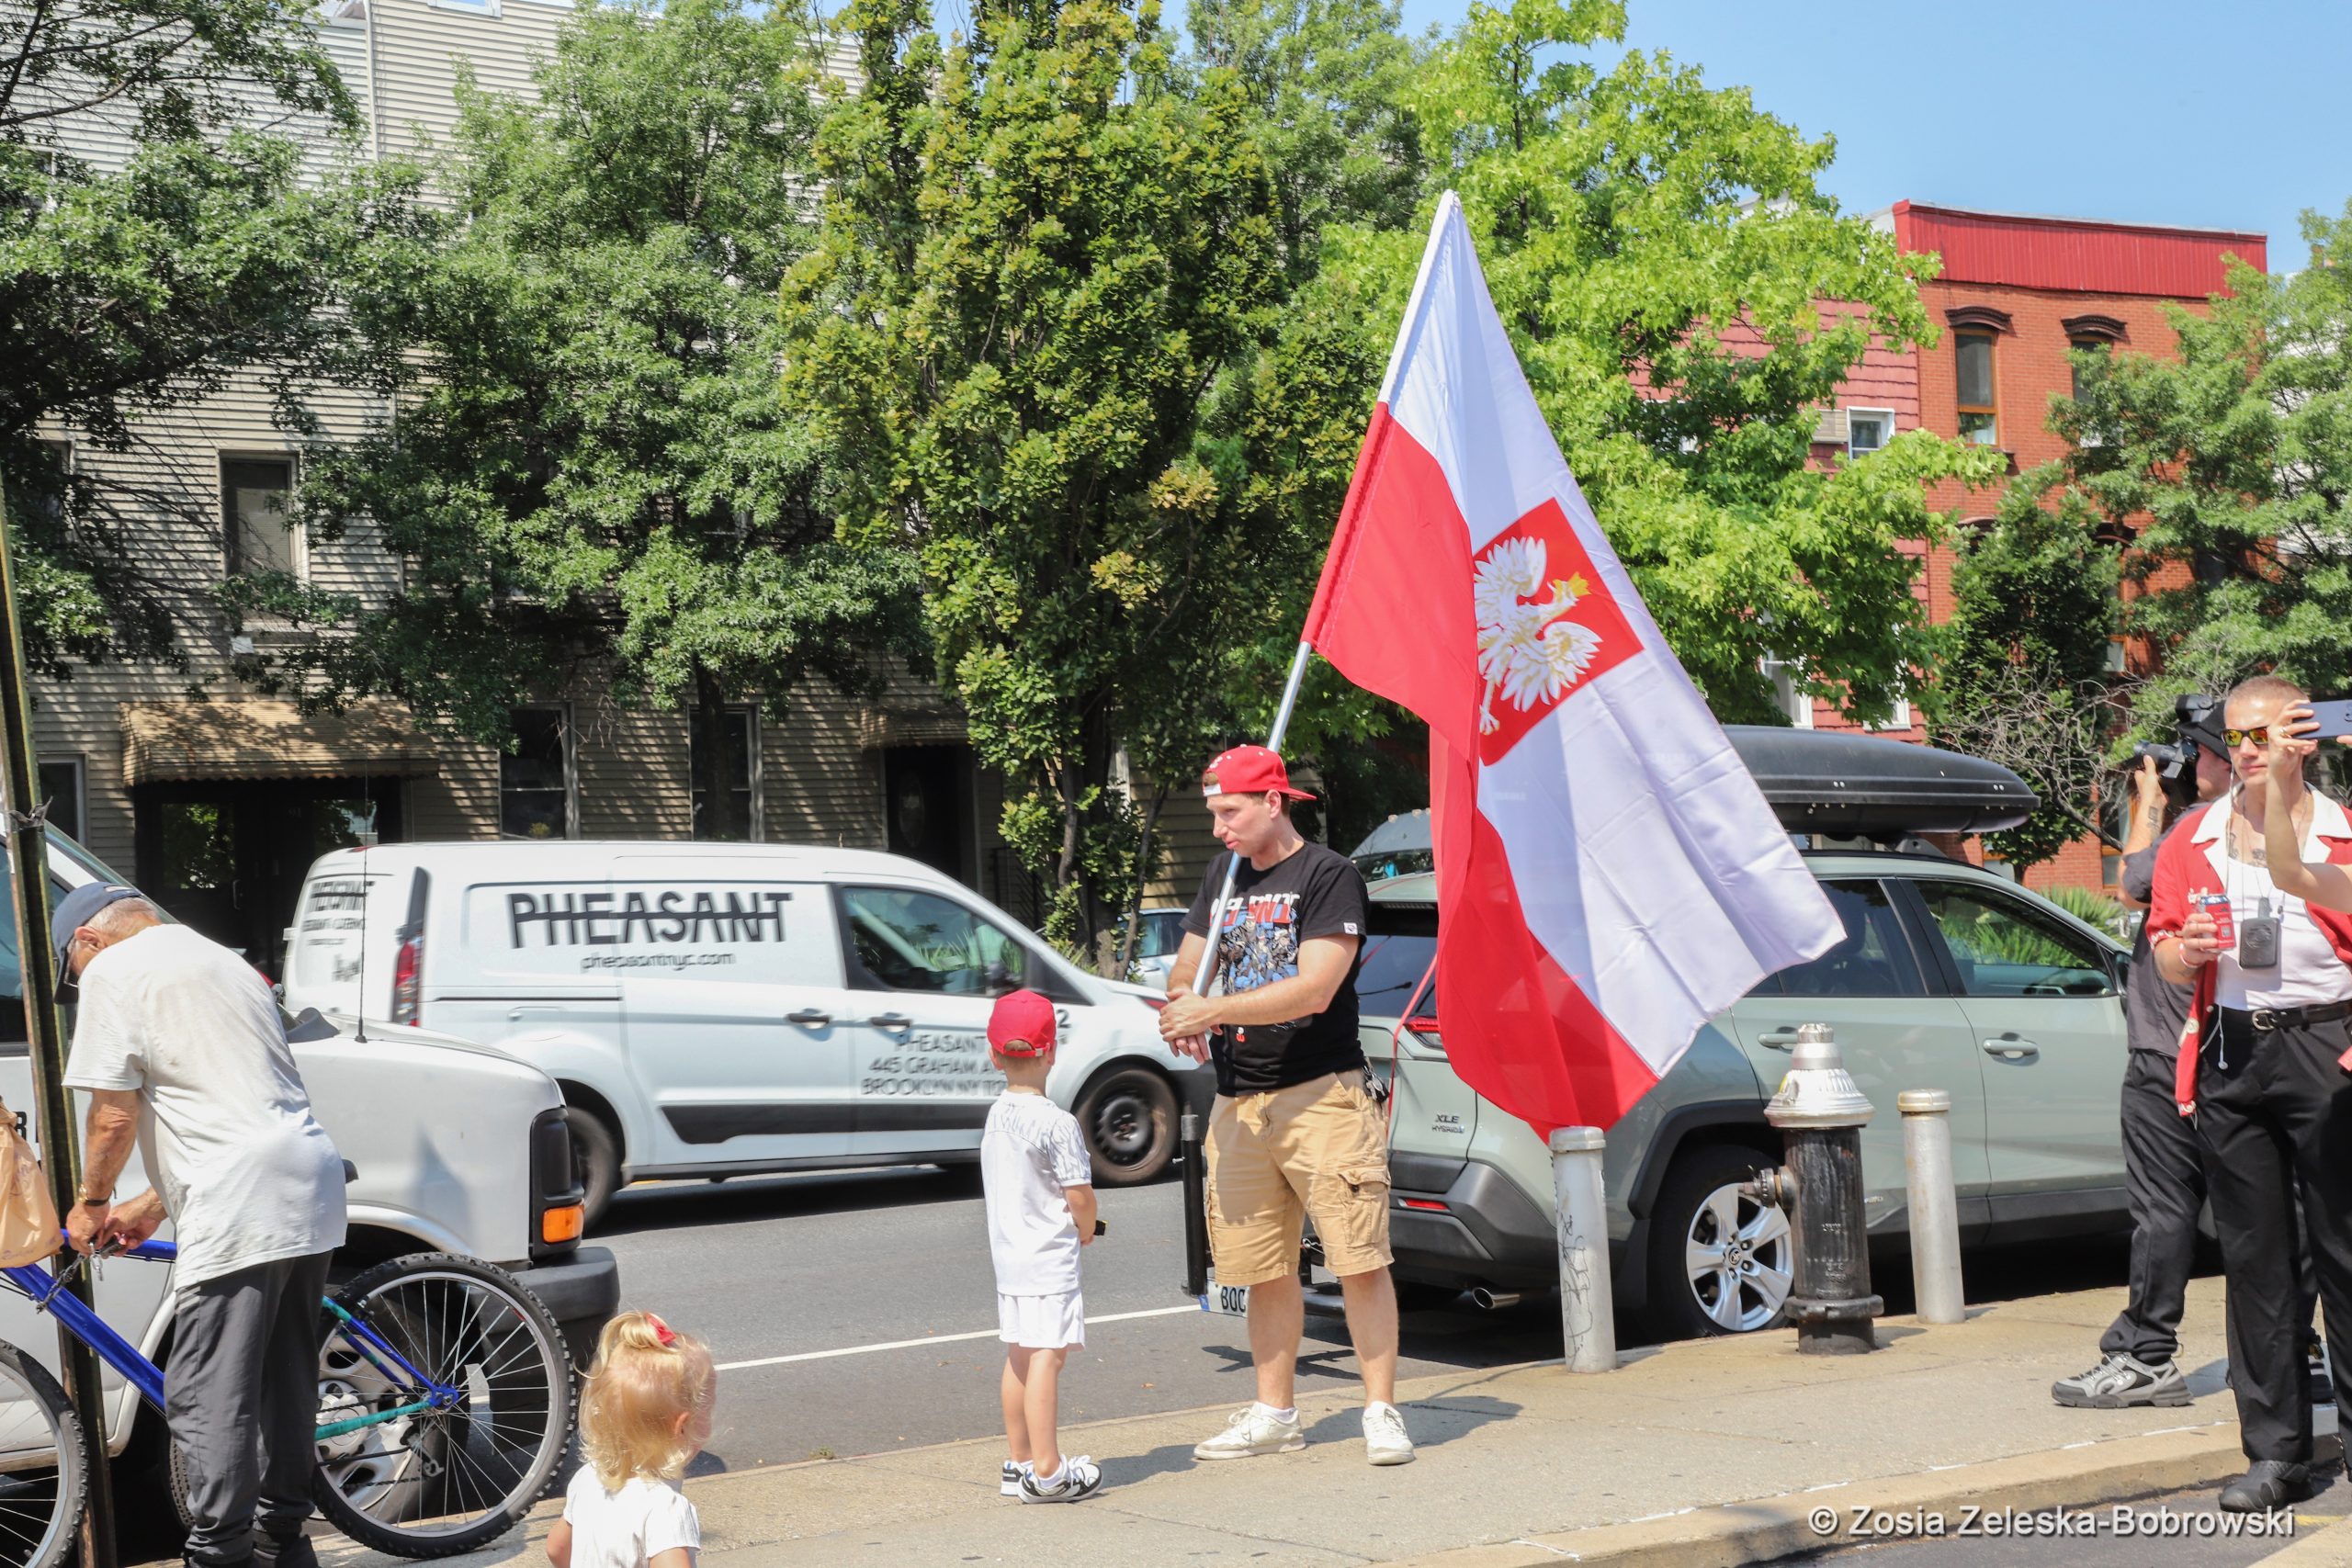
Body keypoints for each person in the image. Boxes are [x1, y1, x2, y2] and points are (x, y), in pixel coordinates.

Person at [56, 886, 347, 1568]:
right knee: (284, 1377)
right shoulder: (224, 960)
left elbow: (114, 1115)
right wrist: (150, 1204)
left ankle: (221, 1552)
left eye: (72, 970)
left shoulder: (112, 970)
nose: (78, 983)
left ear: (88, 940)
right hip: (307, 1178)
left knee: (206, 1390)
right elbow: (228, 1101)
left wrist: (91, 1202)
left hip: (238, 1198)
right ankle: (283, 1541)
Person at [1159, 744, 1411, 1467]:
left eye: (1229, 812)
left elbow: (1316, 988)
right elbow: (1188, 965)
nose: (1219, 829)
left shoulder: (1328, 875)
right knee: (1263, 1267)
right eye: (1213, 813)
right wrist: (1182, 1004)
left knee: (1358, 1258)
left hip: (1321, 1094)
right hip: (1240, 1100)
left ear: (1273, 801)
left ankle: (1381, 1410)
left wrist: (1213, 1007)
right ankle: (1275, 1414)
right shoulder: (1223, 873)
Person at [2149, 675, 2352, 1512]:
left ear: (2302, 737)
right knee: (2255, 1261)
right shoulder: (2193, 837)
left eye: (2263, 735)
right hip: (2234, 1049)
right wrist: (2188, 950)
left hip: (2328, 1042)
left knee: (2344, 1251)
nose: (2246, 751)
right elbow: (2164, 954)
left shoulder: (2341, 832)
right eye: (2234, 737)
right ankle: (2275, 1454)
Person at [2052, 735, 2235, 1408]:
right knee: (2267, 1213)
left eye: (2202, 752)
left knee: (2163, 1207)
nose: (2196, 763)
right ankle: (2286, 1352)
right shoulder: (2283, 831)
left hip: (2172, 1052)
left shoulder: (2198, 826)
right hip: (2244, 1047)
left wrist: (2148, 802)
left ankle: (2145, 1353)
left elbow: (2131, 885)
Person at [979, 988, 1103, 1503]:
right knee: (1048, 1357)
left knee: (1020, 1355)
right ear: (1051, 1050)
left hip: (1009, 1256)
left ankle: (1021, 1463)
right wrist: (1087, 1227)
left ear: (994, 1055)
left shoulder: (997, 1115)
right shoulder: (1057, 1123)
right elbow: (1079, 1194)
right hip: (1048, 1257)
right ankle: (1050, 1473)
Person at [549, 1311, 714, 1568]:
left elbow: (556, 1549)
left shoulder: (587, 1477)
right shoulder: (665, 1509)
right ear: (681, 1426)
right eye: (708, 1410)